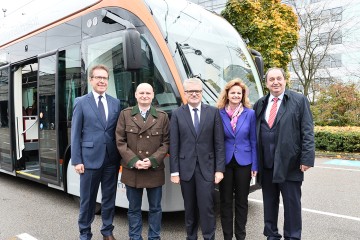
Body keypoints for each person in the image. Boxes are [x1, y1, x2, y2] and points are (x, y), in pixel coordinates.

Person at [253, 67, 315, 240]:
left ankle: (293, 236)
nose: (275, 82)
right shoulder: (260, 103)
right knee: (269, 204)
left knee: (292, 205)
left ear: (284, 80)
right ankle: (271, 235)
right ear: (266, 83)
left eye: (278, 78)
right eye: (271, 79)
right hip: (267, 165)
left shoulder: (299, 100)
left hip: (290, 164)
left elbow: (308, 131)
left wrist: (307, 158)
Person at [169, 77, 225, 240]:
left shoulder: (213, 112)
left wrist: (219, 169)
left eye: (197, 91)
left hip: (207, 169)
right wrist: (174, 171)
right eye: (190, 91)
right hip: (186, 170)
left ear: (201, 93)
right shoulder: (177, 114)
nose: (194, 94)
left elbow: (219, 143)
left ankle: (209, 237)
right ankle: (191, 237)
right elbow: (174, 144)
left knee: (207, 207)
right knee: (190, 207)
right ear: (185, 94)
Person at [71, 64, 121, 240]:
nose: (102, 81)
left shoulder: (116, 103)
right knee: (88, 200)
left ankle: (107, 231)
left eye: (105, 78)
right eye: (98, 77)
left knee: (109, 199)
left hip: (111, 160)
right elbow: (75, 133)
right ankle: (85, 233)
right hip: (89, 159)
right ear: (91, 80)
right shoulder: (81, 102)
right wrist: (76, 160)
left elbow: (117, 132)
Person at [116, 83, 169, 240]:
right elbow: (120, 141)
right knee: (133, 209)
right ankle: (135, 237)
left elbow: (166, 142)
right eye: (141, 93)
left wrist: (152, 160)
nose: (144, 95)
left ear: (153, 95)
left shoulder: (162, 116)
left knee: (155, 209)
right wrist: (133, 160)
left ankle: (154, 237)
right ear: (136, 95)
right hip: (132, 169)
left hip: (154, 169)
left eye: (148, 93)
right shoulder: (125, 115)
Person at [217, 79, 258, 240]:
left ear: (243, 96)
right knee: (225, 201)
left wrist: (255, 164)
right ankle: (227, 236)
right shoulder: (219, 113)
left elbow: (254, 140)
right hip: (225, 162)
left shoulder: (250, 113)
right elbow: (217, 141)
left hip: (244, 162)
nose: (235, 95)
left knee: (242, 201)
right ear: (227, 94)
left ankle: (240, 235)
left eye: (239, 93)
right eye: (233, 92)